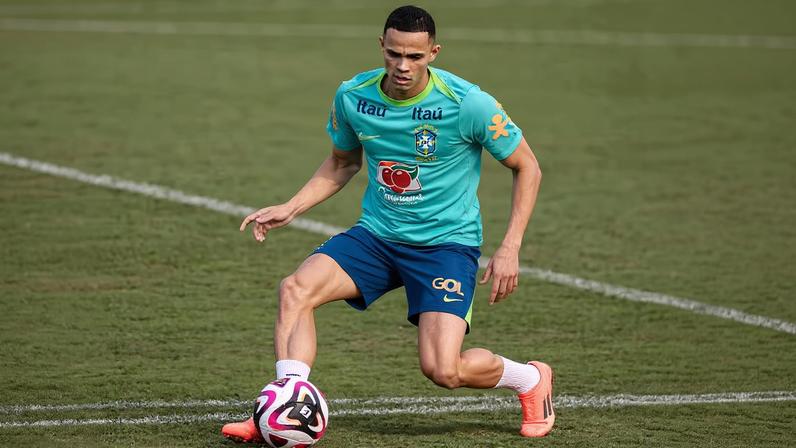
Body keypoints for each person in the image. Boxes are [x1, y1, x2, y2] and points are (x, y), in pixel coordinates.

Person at [222, 5, 551, 441]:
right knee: (295, 290)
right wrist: (293, 206)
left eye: (414, 57)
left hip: (444, 246)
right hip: (377, 237)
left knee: (444, 370)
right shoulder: (354, 96)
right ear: (381, 46)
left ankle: (529, 380)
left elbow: (527, 166)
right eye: (394, 54)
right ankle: (282, 405)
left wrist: (510, 247)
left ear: (433, 53)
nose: (402, 66)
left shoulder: (467, 103)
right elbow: (343, 162)